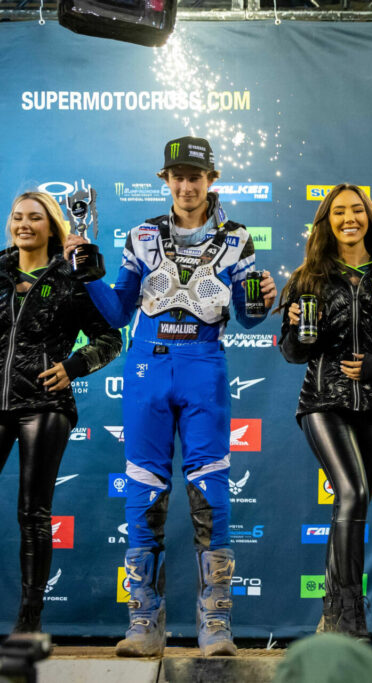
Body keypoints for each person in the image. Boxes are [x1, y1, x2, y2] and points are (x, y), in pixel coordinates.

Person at [64, 136, 277, 657]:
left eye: (195, 176)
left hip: (203, 362)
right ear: (166, 179)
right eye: (177, 176)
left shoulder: (237, 238)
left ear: (211, 180)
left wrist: (264, 299)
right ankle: (144, 623)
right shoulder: (141, 236)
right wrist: (87, 271)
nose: (186, 185)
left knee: (212, 487)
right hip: (147, 364)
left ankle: (216, 625)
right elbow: (117, 314)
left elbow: (249, 317)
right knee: (144, 485)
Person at [278, 184, 372, 637]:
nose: (350, 218)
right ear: (326, 221)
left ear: (370, 217)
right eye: (339, 211)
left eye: (357, 210)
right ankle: (351, 618)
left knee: (351, 505)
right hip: (325, 402)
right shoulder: (308, 277)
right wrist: (302, 334)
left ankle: (332, 615)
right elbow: (291, 352)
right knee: (353, 496)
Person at [1, 191, 121, 634]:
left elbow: (111, 338)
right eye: (17, 218)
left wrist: (72, 367)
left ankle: (28, 622)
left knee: (33, 512)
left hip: (45, 405)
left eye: (35, 218)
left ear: (52, 226)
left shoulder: (70, 276)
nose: (24, 225)